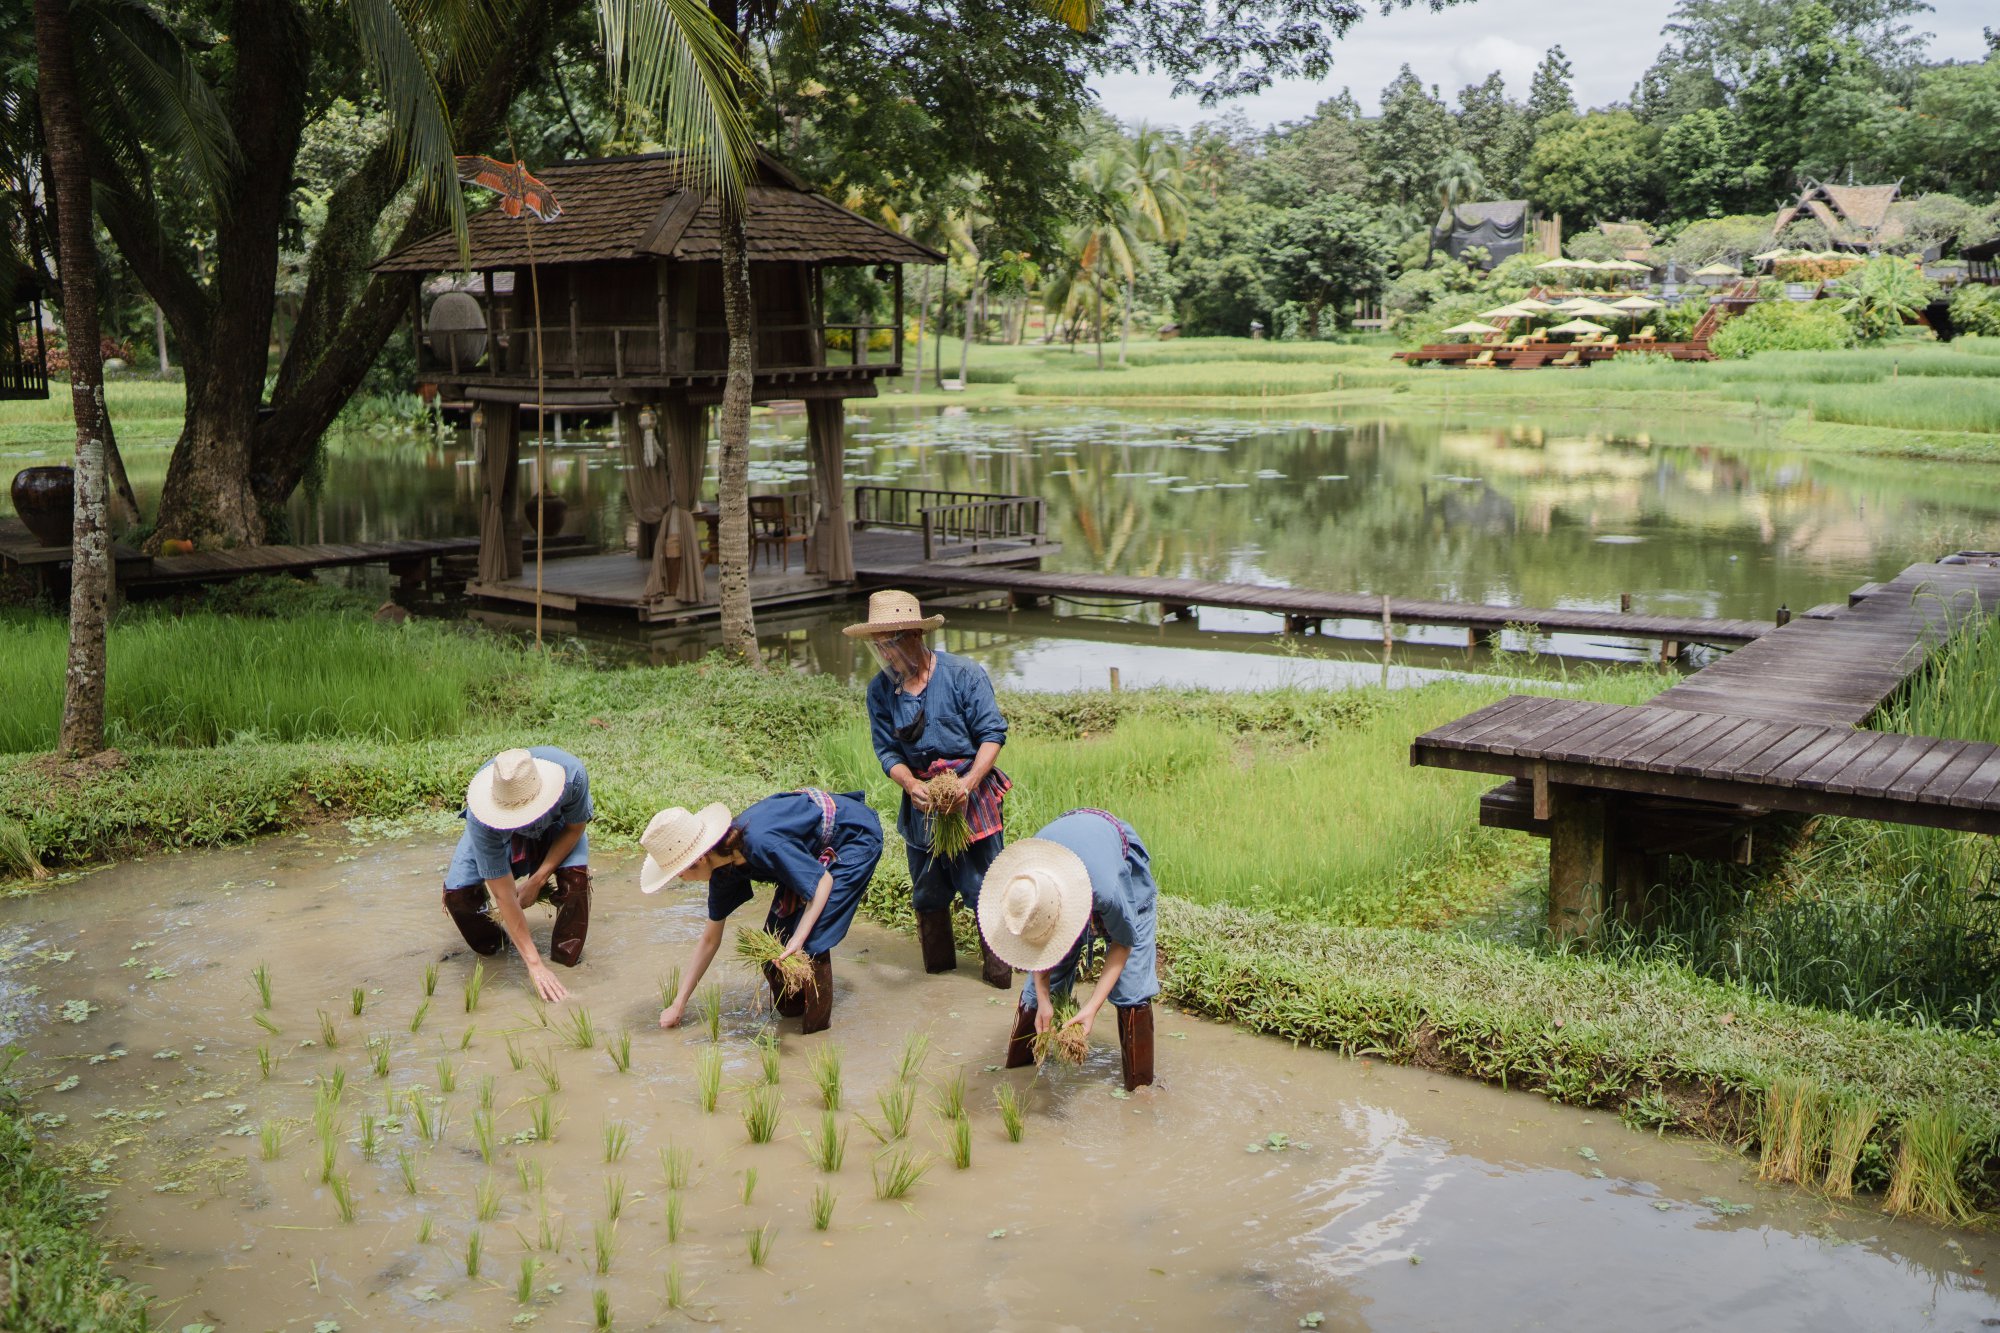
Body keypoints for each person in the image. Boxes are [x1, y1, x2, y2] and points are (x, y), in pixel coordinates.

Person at [848, 589, 1013, 988]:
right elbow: (887, 751)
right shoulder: (880, 691)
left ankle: (999, 976)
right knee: (927, 892)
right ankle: (939, 976)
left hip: (969, 798)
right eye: (879, 647)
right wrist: (910, 785)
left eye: (891, 645)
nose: (886, 656)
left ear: (915, 637)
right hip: (922, 803)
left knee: (984, 889)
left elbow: (993, 734)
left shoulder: (963, 675)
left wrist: (969, 783)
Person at [645, 789, 883, 1035]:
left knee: (812, 943)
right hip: (806, 853)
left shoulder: (760, 843)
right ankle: (793, 1014)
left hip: (853, 837)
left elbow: (822, 882)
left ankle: (815, 1034)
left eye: (679, 872)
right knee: (771, 945)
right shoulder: (723, 868)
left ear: (700, 859)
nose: (681, 879)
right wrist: (679, 1003)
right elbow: (709, 939)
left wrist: (798, 939)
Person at [978, 808, 1158, 1091]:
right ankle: (1020, 1069)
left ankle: (1141, 1087)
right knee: (1044, 986)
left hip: (1113, 860)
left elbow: (1124, 944)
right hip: (1063, 862)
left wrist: (1091, 1009)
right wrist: (1043, 998)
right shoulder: (1028, 887)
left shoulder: (1107, 892)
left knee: (1132, 987)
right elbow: (1037, 947)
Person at [441, 746, 593, 1004]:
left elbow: (575, 827)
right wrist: (534, 964)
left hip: (554, 830)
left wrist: (538, 880)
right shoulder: (482, 818)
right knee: (458, 897)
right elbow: (503, 894)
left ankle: (566, 963)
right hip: (500, 835)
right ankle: (499, 950)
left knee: (576, 883)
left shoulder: (572, 776)